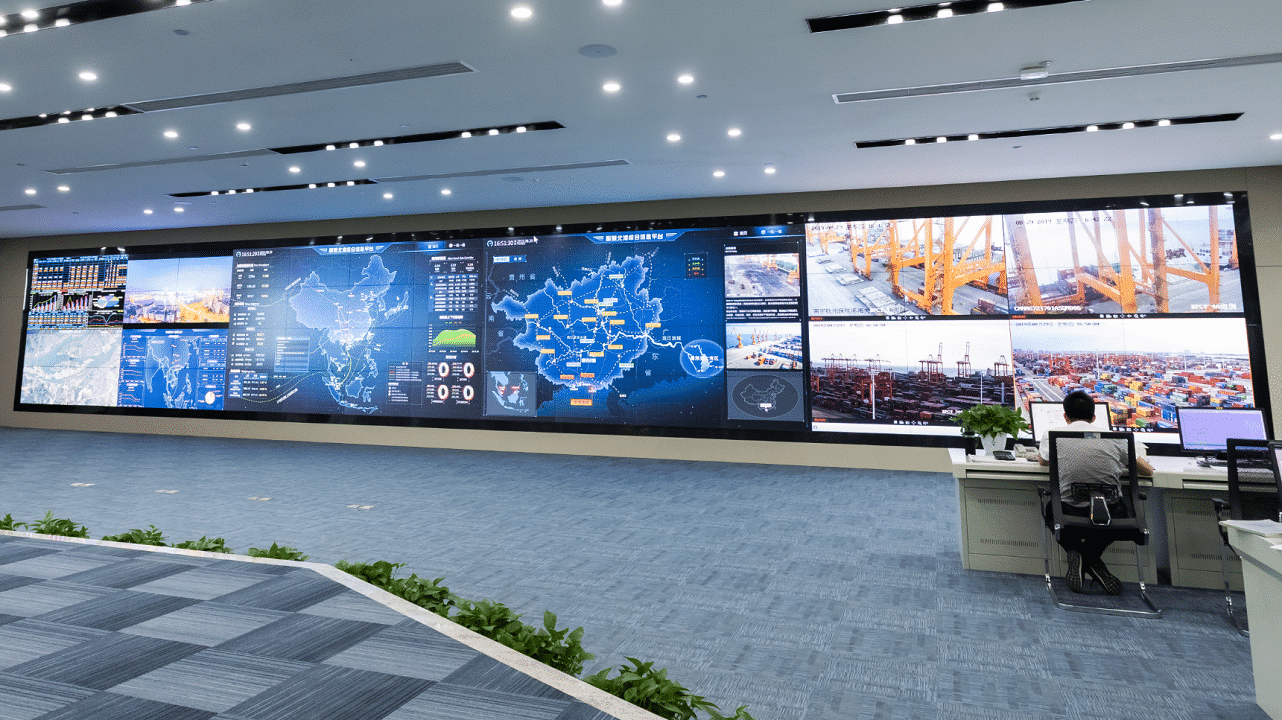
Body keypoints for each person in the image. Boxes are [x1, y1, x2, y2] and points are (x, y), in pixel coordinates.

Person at [1037, 390, 1154, 595]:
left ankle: (1079, 555)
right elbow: (1147, 471)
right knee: (1119, 511)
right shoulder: (1116, 438)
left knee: (1050, 509)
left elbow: (1043, 461)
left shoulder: (1053, 435)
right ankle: (1091, 559)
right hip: (1111, 516)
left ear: (1065, 417)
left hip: (1068, 512)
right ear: (1093, 418)